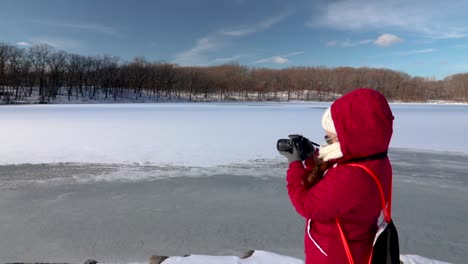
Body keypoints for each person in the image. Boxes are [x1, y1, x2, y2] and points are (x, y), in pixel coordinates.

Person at [279, 88, 394, 264]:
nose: (328, 138)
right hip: (355, 247)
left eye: (331, 137)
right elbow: (333, 181)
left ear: (352, 132)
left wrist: (294, 164)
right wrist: (312, 157)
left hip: (335, 255)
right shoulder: (374, 159)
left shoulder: (352, 175)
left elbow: (308, 205)